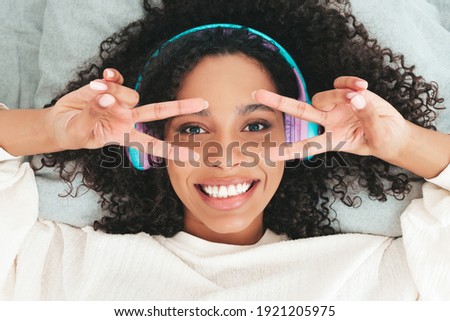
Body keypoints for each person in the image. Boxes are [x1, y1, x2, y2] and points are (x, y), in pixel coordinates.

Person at [0, 0, 449, 300]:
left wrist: (399, 141)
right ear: (149, 146)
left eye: (256, 125)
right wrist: (54, 130)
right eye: (193, 130)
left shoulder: (382, 271)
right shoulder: (55, 261)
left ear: (298, 134)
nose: (226, 155)